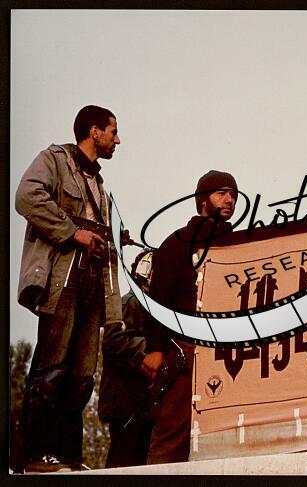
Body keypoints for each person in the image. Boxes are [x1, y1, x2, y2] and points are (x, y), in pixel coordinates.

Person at [16, 105, 123, 472]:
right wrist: (72, 232)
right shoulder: (54, 159)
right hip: (63, 277)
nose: (117, 140)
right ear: (95, 131)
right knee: (52, 367)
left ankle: (68, 457)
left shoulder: (100, 187)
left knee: (81, 376)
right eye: (113, 131)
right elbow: (26, 196)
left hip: (93, 280)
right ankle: (35, 456)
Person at [141, 169, 238, 464]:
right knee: (173, 432)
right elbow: (158, 299)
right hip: (184, 349)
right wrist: (156, 349)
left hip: (228, 352)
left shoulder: (240, 242)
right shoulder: (177, 243)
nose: (229, 199)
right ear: (203, 201)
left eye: (233, 194)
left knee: (226, 437)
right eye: (221, 193)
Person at [98, 251, 154, 468]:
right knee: (124, 462)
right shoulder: (130, 302)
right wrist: (153, 349)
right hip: (125, 403)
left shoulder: (151, 309)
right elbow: (113, 341)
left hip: (140, 403)